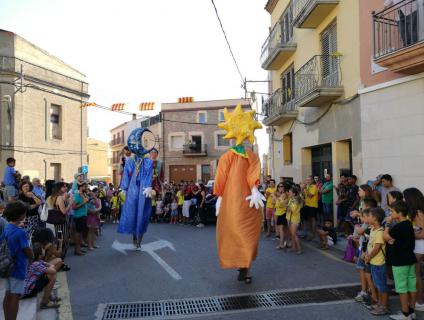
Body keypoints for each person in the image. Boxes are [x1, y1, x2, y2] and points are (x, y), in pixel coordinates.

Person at [214, 104, 264, 284]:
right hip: (232, 202)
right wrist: (219, 197)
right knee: (235, 233)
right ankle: (241, 266)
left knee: (249, 235)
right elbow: (221, 177)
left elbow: (253, 173)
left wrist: (254, 189)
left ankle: (246, 268)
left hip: (249, 201)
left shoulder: (252, 156)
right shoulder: (227, 157)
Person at [384, 201, 417, 320]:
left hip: (399, 261)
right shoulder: (408, 224)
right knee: (411, 285)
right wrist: (391, 240)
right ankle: (411, 310)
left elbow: (385, 237)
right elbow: (392, 239)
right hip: (410, 259)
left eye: (392, 211)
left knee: (402, 287)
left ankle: (405, 314)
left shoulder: (398, 227)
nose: (390, 213)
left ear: (399, 213)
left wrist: (387, 224)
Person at [2, 201, 34, 320]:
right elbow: (27, 249)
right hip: (17, 267)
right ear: (21, 215)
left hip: (7, 265)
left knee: (8, 294)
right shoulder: (20, 232)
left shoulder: (7, 227)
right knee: (15, 296)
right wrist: (32, 258)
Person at [365, 207, 389, 316]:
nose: (367, 218)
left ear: (375, 219)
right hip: (373, 262)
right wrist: (366, 254)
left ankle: (384, 307)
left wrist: (369, 257)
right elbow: (370, 244)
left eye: (369, 216)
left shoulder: (380, 231)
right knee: (377, 284)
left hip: (379, 263)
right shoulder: (372, 229)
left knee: (381, 285)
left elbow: (377, 248)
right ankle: (380, 303)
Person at [403, 188, 424, 312]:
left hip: (419, 247)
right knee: (416, 275)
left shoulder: (418, 213)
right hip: (417, 246)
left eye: (405, 198)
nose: (404, 200)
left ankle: (419, 301)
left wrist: (409, 234)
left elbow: (422, 234)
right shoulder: (416, 212)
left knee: (416, 275)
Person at [22, 243, 59, 309]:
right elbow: (53, 271)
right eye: (42, 249)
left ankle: (48, 296)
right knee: (52, 276)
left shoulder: (38, 261)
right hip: (27, 292)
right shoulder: (35, 264)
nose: (44, 250)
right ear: (39, 254)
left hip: (29, 287)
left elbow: (49, 266)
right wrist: (51, 267)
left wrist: (51, 267)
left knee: (47, 275)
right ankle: (45, 302)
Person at [47, 182, 72, 260]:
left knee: (58, 240)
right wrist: (70, 204)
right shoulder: (59, 198)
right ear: (59, 188)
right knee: (62, 240)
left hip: (54, 222)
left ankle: (58, 259)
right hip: (61, 223)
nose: (66, 188)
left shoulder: (50, 197)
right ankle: (60, 259)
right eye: (64, 187)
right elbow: (64, 211)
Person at [72, 183, 89, 256]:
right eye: (85, 186)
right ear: (81, 187)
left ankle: (79, 248)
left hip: (83, 216)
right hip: (78, 216)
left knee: (80, 233)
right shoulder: (76, 195)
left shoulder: (83, 194)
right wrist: (83, 202)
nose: (86, 187)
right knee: (78, 234)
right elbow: (74, 207)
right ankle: (76, 250)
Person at [287, 187, 302, 254]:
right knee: (292, 234)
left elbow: (292, 210)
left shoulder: (296, 200)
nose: (288, 193)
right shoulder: (292, 199)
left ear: (294, 193)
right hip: (289, 218)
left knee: (294, 234)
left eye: (290, 192)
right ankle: (294, 247)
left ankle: (299, 249)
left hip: (294, 219)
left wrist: (285, 206)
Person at [303, 176, 319, 241]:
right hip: (307, 204)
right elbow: (304, 195)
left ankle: (313, 234)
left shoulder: (314, 187)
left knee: (313, 219)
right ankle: (310, 233)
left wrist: (305, 189)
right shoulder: (307, 186)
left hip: (313, 205)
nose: (307, 181)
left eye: (309, 180)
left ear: (312, 181)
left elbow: (310, 195)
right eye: (307, 180)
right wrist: (302, 189)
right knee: (308, 219)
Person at [273, 184, 288, 250]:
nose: (279, 188)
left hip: (282, 213)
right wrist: (275, 198)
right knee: (283, 230)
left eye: (281, 186)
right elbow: (275, 203)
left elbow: (280, 204)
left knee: (281, 230)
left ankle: (281, 244)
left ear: (284, 188)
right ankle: (285, 242)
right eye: (278, 186)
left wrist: (275, 197)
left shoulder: (284, 194)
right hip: (279, 213)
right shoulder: (281, 195)